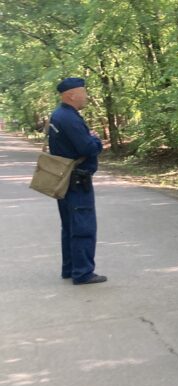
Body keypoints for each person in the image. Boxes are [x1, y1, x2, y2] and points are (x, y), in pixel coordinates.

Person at [49, 77, 106, 285]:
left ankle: (70, 269)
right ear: (72, 95)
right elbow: (87, 148)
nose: (86, 96)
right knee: (83, 227)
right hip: (77, 182)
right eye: (83, 92)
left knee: (70, 226)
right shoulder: (69, 118)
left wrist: (87, 137)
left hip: (65, 179)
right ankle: (83, 273)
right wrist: (96, 140)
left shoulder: (59, 115)